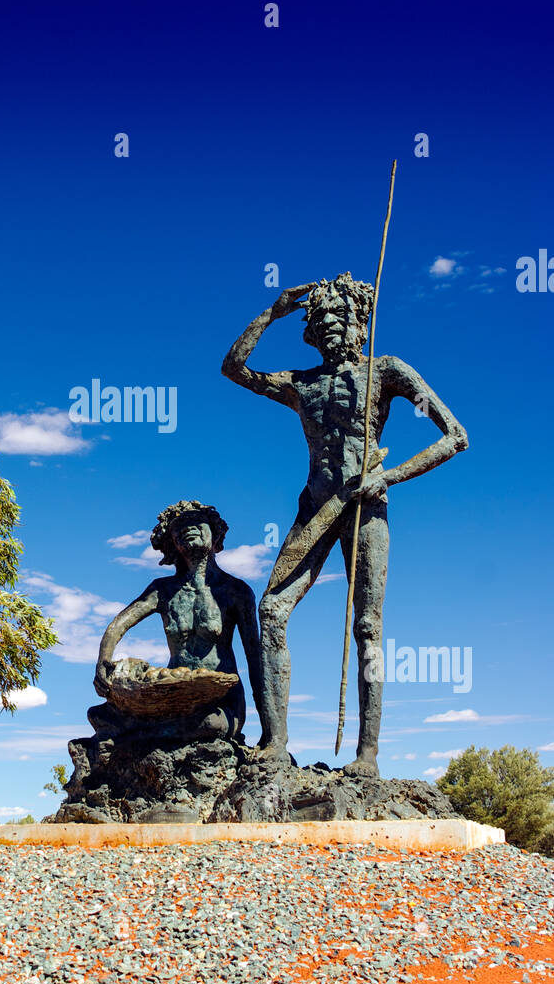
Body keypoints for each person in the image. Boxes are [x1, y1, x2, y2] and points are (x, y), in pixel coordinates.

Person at [221, 272, 468, 775]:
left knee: (368, 626)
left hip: (365, 508)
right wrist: (273, 312)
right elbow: (234, 368)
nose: (330, 327)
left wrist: (388, 478)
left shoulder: (388, 371)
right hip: (315, 509)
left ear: (359, 323)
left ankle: (367, 754)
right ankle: (274, 742)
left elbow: (455, 436)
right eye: (320, 321)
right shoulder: (301, 384)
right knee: (271, 610)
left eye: (340, 318)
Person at [91, 500, 262, 742]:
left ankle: (136, 737)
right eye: (179, 526)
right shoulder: (162, 590)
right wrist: (102, 662)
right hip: (172, 697)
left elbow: (256, 660)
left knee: (209, 725)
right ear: (171, 542)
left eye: (197, 521)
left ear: (215, 534)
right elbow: (119, 624)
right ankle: (145, 733)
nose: (188, 527)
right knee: (99, 714)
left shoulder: (236, 591)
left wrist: (272, 733)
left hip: (221, 699)